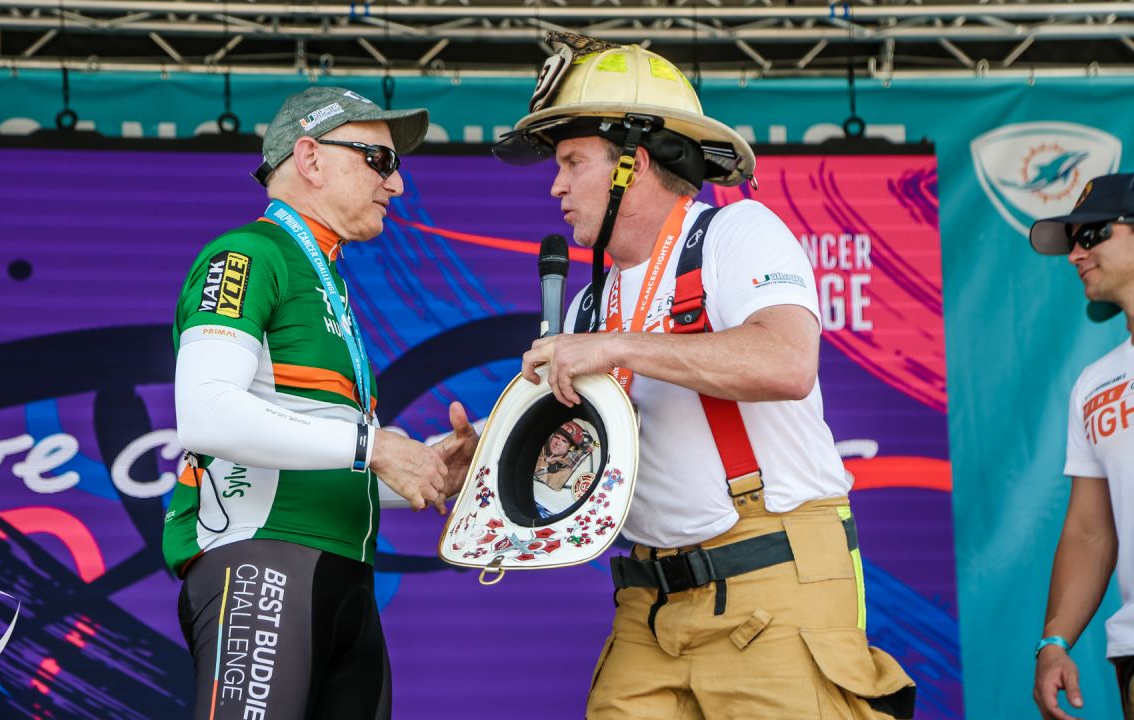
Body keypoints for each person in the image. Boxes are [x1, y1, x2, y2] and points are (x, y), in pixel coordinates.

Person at [495, 33, 915, 718]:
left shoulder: (736, 232)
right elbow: (587, 456)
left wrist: (617, 347)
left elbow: (786, 362)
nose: (556, 186)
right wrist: (483, 456)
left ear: (633, 162)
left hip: (773, 583)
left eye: (573, 162)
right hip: (646, 604)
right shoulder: (590, 305)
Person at [164, 86, 477, 720]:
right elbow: (206, 411)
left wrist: (429, 465)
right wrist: (373, 445)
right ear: (310, 159)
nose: (398, 185)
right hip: (263, 559)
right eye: (379, 161)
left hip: (343, 573)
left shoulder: (327, 279)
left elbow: (325, 449)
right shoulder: (248, 254)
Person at [1029, 172, 1134, 720]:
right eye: (1071, 240)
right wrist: (1055, 642)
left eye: (1091, 234)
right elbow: (1091, 532)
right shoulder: (1096, 384)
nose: (1074, 254)